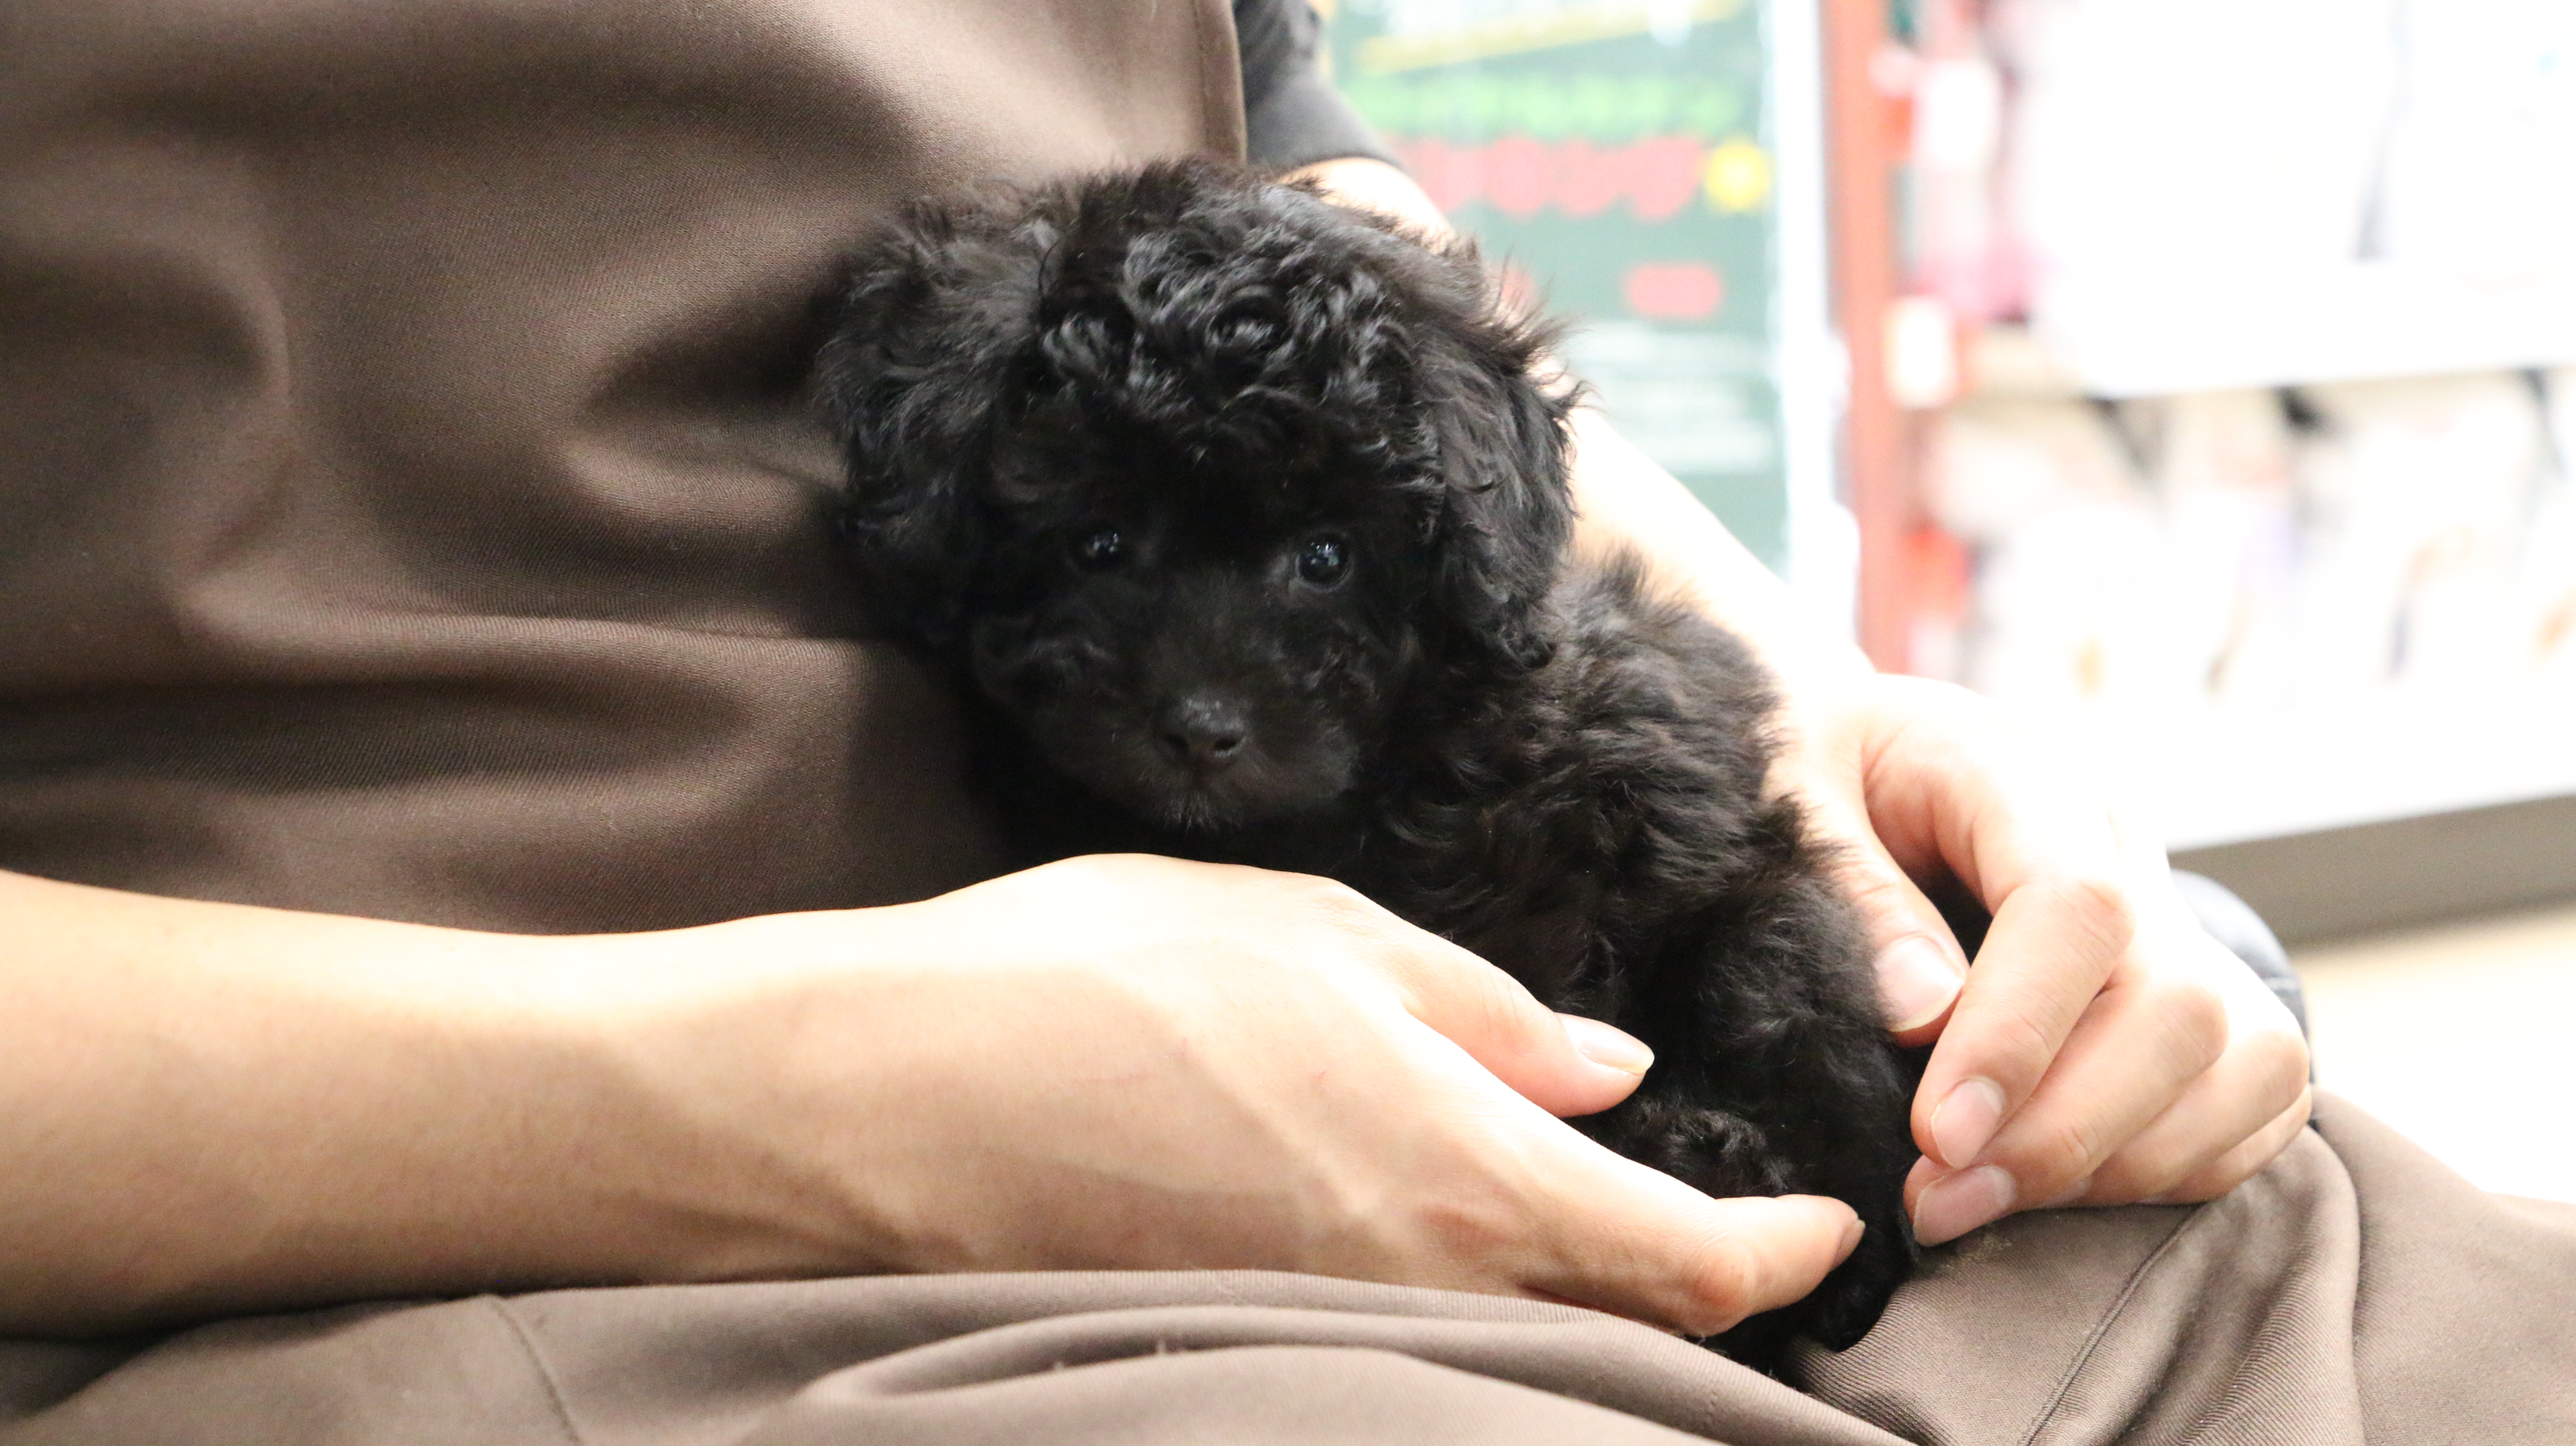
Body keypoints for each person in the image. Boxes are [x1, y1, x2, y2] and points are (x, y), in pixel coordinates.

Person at [1, 2, 2568, 1442]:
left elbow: (1343, 244)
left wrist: (1850, 744)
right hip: (480, 1241)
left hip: (1470, 1079)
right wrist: (834, 1100)